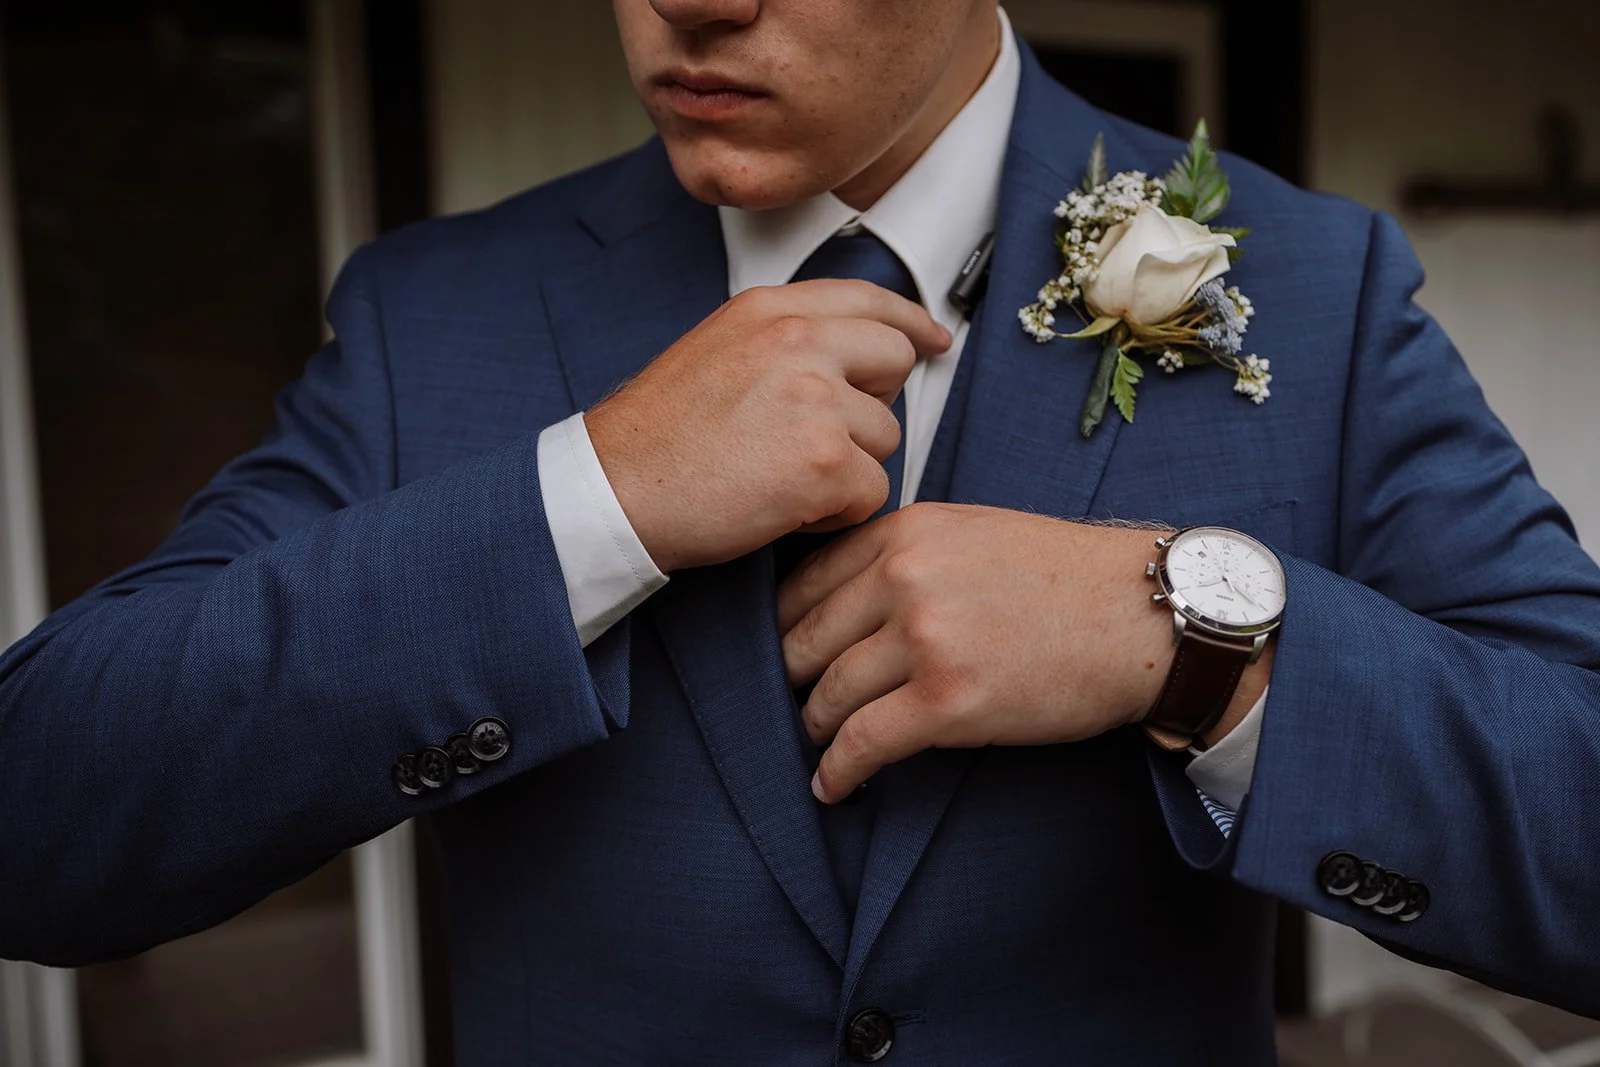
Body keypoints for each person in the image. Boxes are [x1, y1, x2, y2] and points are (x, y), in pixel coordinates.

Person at [2, 0, 1598, 1062]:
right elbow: (42, 819)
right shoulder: (440, 316)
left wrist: (1184, 638)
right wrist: (590, 499)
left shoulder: (1307, 289)